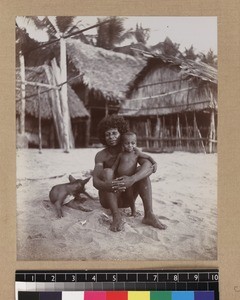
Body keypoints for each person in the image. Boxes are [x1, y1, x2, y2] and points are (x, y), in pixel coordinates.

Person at [92, 114, 167, 232]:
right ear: (103, 137)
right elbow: (95, 180)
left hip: (128, 198)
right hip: (109, 200)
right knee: (107, 172)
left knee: (141, 172)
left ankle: (149, 214)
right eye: (107, 134)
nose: (111, 137)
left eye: (114, 133)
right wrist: (107, 185)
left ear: (121, 133)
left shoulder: (132, 150)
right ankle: (116, 216)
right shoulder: (101, 155)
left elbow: (148, 166)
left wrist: (132, 179)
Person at [111, 131, 157, 217]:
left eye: (133, 143)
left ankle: (133, 211)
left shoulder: (136, 154)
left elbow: (148, 157)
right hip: (120, 178)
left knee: (130, 196)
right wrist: (111, 174)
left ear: (136, 143)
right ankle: (114, 210)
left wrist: (154, 163)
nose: (130, 146)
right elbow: (115, 166)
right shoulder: (121, 155)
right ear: (123, 144)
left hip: (129, 179)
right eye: (127, 143)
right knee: (116, 193)